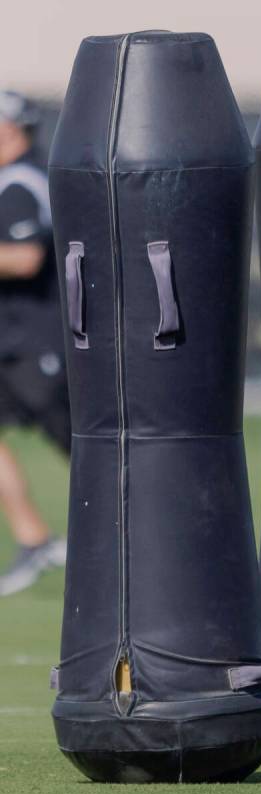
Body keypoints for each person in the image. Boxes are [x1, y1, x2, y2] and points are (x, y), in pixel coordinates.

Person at [0, 90, 69, 597]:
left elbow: (24, 259)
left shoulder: (22, 183)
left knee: (88, 450)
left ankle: (156, 536)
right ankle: (34, 539)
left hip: (39, 341)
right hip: (11, 341)